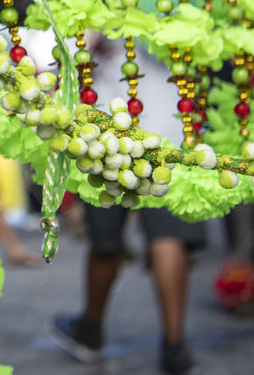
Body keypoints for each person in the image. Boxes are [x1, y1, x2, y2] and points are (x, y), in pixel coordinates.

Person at [49, 35, 202, 375]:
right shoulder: (179, 6)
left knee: (109, 243)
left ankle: (91, 330)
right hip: (169, 134)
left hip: (109, 138)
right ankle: (174, 347)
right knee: (166, 237)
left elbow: (69, 56)